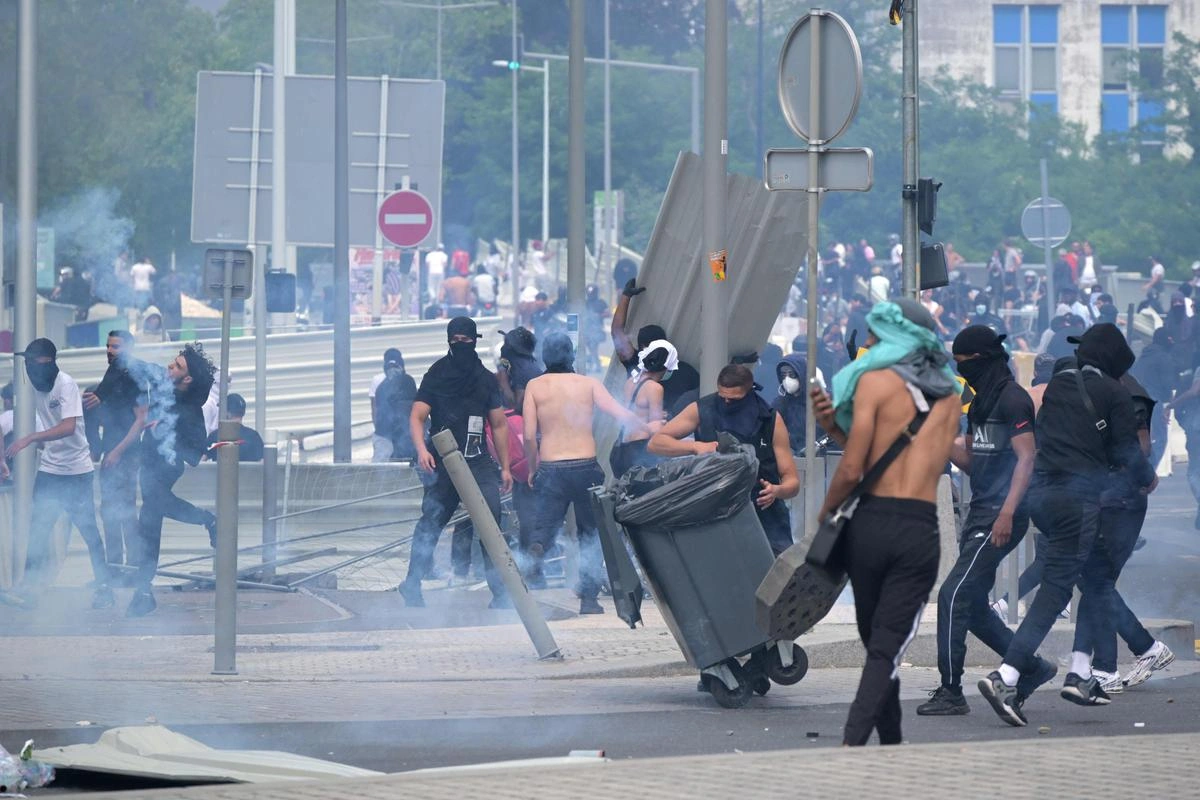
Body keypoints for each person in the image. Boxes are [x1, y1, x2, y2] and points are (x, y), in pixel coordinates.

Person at [977, 323, 1157, 726]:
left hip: (1042, 496)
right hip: (1079, 502)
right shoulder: (1114, 392)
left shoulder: (1058, 384)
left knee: (1094, 579)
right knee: (1056, 591)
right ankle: (1006, 676)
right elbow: (1128, 450)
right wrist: (1147, 478)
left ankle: (1080, 673)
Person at [808, 298, 961, 746]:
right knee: (886, 645)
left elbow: (855, 468)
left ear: (897, 338)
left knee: (878, 642)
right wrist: (835, 425)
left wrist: (825, 512)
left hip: (868, 527)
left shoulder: (873, 382)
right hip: (916, 529)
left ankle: (861, 744)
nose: (870, 342)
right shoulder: (951, 397)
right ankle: (877, 744)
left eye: (876, 334)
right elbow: (905, 455)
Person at [917, 327, 1051, 716]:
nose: (961, 371)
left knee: (952, 594)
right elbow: (978, 464)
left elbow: (1027, 459)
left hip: (1001, 514)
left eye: (964, 364)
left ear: (983, 360)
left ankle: (951, 691)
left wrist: (1008, 512)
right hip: (982, 510)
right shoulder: (980, 404)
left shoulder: (1013, 400)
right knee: (972, 605)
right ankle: (1031, 665)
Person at [522, 333, 647, 611]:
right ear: (571, 356)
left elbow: (529, 435)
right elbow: (621, 413)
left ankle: (538, 549)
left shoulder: (535, 386)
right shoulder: (588, 384)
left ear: (545, 356)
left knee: (545, 525)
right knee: (590, 534)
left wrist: (534, 467)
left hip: (552, 466)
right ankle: (589, 600)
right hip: (586, 467)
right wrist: (650, 426)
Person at [396, 317, 512, 609]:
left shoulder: (485, 379)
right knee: (430, 524)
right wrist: (422, 450)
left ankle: (500, 592)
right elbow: (417, 415)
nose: (461, 345)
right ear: (448, 340)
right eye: (455, 339)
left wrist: (506, 466)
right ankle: (412, 582)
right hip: (443, 463)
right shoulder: (437, 374)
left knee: (491, 522)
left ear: (475, 340)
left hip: (478, 462)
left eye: (466, 340)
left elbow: (498, 425)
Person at [4, 338, 113, 610]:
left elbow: (67, 427)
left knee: (89, 531)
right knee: (37, 529)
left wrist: (30, 438)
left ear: (51, 363)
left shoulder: (66, 384)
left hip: (77, 471)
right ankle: (28, 589)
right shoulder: (35, 385)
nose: (32, 371)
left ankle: (104, 587)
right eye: (28, 365)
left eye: (36, 364)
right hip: (50, 470)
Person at [1084, 372, 1175, 693]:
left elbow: (1141, 448)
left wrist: (1139, 478)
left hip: (1122, 501)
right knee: (1096, 581)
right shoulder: (1112, 390)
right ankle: (1141, 650)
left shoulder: (1130, 394)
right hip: (1109, 498)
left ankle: (1108, 667)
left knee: (1098, 581)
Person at [649, 364, 800, 556]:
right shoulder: (702, 408)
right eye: (723, 397)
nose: (727, 402)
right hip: (715, 511)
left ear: (748, 391)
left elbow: (793, 481)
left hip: (764, 514)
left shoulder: (770, 419)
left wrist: (777, 491)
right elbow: (656, 443)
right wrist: (696, 447)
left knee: (776, 575)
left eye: (734, 399)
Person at [128, 344, 218, 617]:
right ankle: (143, 592)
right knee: (149, 520)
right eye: (173, 362)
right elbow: (143, 369)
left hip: (166, 466)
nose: (170, 366)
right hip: (148, 463)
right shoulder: (162, 386)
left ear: (187, 378)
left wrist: (165, 432)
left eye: (177, 366)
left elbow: (195, 452)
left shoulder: (189, 409)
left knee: (153, 507)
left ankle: (208, 519)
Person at [83, 331, 148, 569]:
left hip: (128, 455)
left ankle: (132, 567)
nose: (110, 351)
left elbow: (140, 422)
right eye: (108, 346)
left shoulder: (136, 380)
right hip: (111, 455)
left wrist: (118, 451)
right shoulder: (106, 383)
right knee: (108, 511)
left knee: (127, 511)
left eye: (116, 347)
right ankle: (113, 568)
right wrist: (97, 450)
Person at [609, 279, 701, 413]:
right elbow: (616, 332)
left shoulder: (686, 373)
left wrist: (626, 296)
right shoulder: (636, 364)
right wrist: (625, 297)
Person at [495, 327, 543, 560]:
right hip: (530, 442)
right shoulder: (531, 365)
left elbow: (519, 403)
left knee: (527, 510)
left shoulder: (522, 371)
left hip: (526, 445)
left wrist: (503, 382)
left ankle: (532, 564)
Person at [610, 339, 674, 477]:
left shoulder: (630, 382)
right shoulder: (655, 388)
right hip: (640, 449)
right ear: (666, 366)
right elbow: (656, 426)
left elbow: (633, 412)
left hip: (622, 446)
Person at [370, 348, 417, 463]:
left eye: (395, 367)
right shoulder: (381, 387)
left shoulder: (408, 381)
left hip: (408, 432)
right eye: (389, 368)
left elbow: (413, 408)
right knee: (382, 458)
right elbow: (377, 412)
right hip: (385, 434)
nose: (393, 371)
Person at [774, 351, 814, 454]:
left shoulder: (819, 401)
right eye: (783, 376)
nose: (787, 380)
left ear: (802, 375)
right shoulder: (780, 404)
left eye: (792, 375)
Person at [205, 394, 265, 462]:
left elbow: (200, 462)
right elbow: (263, 464)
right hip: (248, 472)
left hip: (222, 472)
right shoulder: (254, 436)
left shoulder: (215, 436)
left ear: (228, 414)